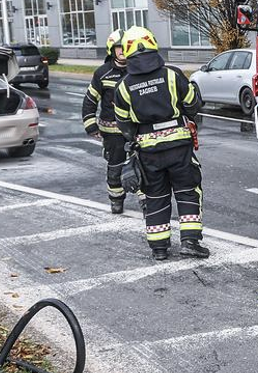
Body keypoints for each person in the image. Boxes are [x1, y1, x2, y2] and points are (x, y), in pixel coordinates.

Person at [112, 26, 208, 261]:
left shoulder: (123, 86)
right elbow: (193, 106)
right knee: (187, 191)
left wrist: (138, 137)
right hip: (178, 147)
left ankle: (159, 248)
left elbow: (123, 124)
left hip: (148, 151)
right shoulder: (172, 75)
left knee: (155, 196)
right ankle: (190, 242)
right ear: (152, 44)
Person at [81, 30, 129, 214]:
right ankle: (116, 199)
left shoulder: (138, 70)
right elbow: (90, 100)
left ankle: (146, 202)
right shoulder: (102, 73)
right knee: (115, 166)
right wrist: (91, 125)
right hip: (112, 132)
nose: (123, 50)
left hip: (136, 130)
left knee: (143, 165)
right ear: (112, 49)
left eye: (125, 46)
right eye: (119, 47)